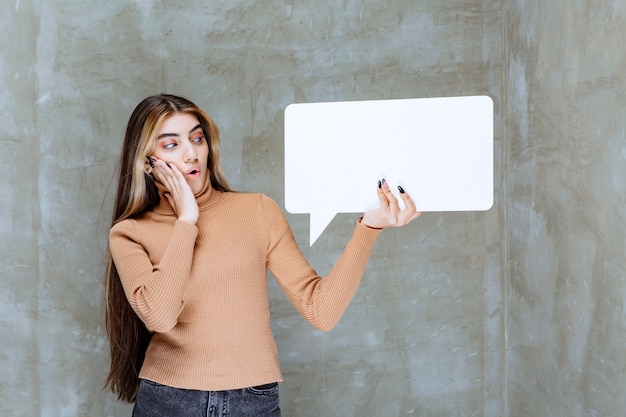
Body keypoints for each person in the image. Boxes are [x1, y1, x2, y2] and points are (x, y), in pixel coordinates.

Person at [104, 94, 421, 417]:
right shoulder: (130, 232)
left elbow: (321, 311)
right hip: (168, 401)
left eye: (197, 138)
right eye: (171, 145)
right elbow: (160, 316)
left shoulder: (257, 210)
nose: (191, 153)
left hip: (252, 400)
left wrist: (369, 227)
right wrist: (187, 220)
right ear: (148, 161)